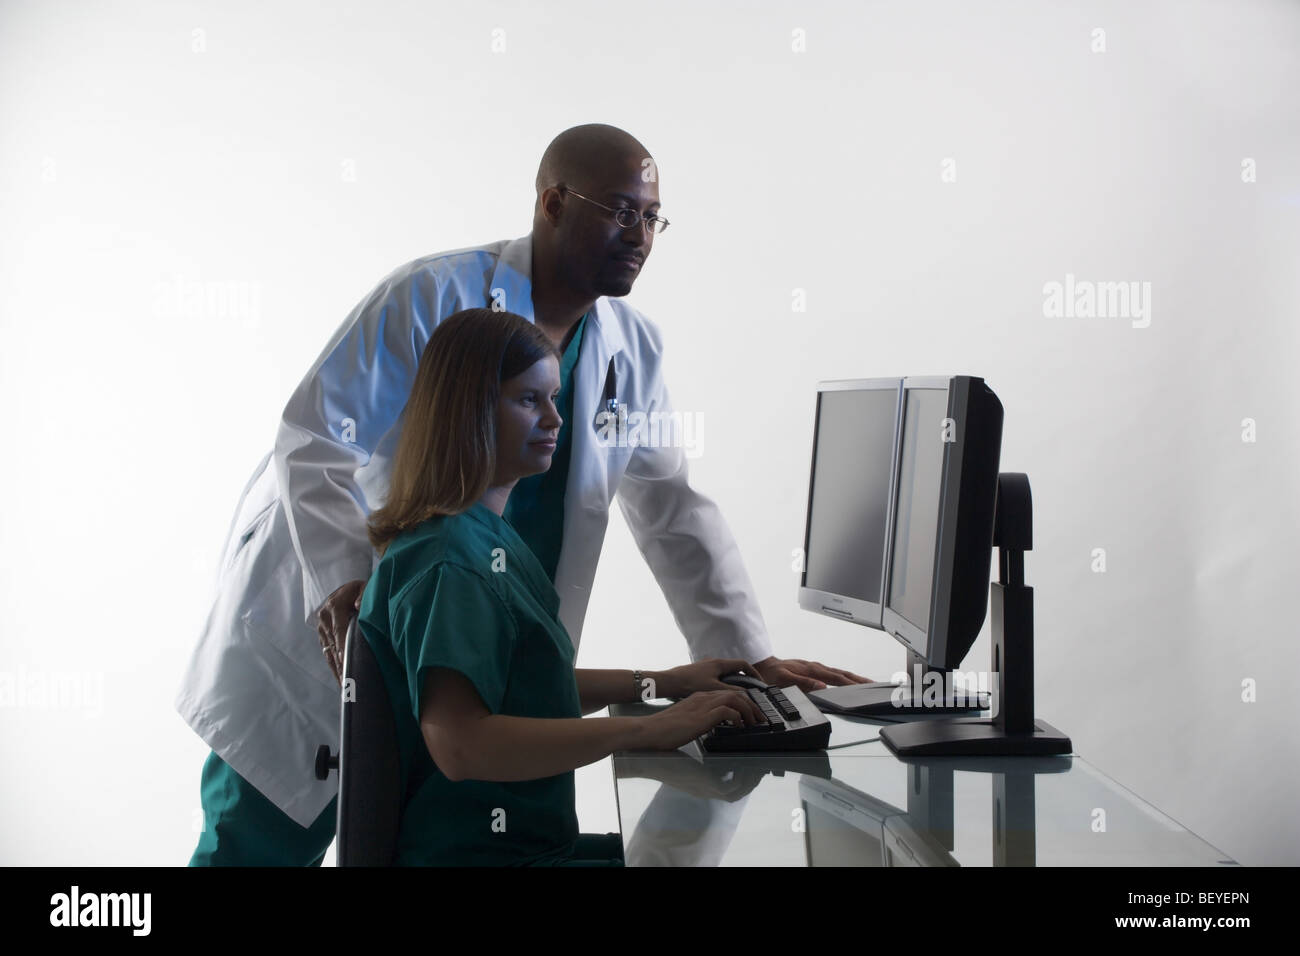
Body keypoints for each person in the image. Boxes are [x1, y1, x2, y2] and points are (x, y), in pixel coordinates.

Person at [179, 123, 868, 867]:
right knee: (251, 851)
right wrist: (353, 594)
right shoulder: (429, 297)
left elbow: (673, 511)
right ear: (552, 203)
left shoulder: (629, 349)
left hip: (459, 667)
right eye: (619, 209)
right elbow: (315, 442)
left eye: (651, 215)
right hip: (323, 639)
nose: (639, 233)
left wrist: (744, 662)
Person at [359, 308, 768, 865]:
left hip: (532, 848)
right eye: (529, 400)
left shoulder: (479, 536)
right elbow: (461, 743)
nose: (555, 419)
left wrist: (662, 682)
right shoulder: (450, 562)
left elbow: (525, 690)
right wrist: (642, 733)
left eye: (555, 399)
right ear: (468, 410)